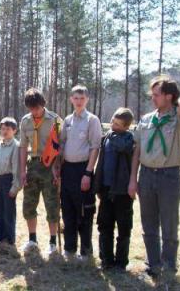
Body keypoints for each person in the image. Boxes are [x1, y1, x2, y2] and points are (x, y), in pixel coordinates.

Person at [130, 75, 180, 277]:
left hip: (169, 177)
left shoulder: (177, 119)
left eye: (157, 94)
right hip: (146, 175)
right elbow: (137, 151)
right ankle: (153, 264)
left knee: (169, 223)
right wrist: (133, 179)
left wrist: (175, 99)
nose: (152, 98)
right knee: (148, 223)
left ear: (169, 96)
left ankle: (168, 265)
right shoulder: (147, 120)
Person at [59, 85, 102, 261]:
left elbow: (95, 147)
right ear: (71, 99)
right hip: (67, 169)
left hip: (83, 169)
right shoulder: (67, 120)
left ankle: (85, 251)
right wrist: (57, 167)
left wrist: (87, 172)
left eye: (82, 98)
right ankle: (69, 248)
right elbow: (61, 144)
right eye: (75, 98)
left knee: (84, 211)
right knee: (67, 209)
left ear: (87, 100)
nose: (78, 101)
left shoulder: (92, 120)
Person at [19, 88, 62, 255]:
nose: (34, 112)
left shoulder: (55, 120)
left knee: (52, 205)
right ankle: (32, 239)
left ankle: (52, 242)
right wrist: (22, 171)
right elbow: (23, 146)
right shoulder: (25, 121)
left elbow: (60, 146)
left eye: (37, 108)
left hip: (50, 165)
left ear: (43, 105)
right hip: (33, 165)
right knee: (29, 204)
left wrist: (56, 168)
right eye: (31, 109)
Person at [93, 108, 135, 270]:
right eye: (112, 122)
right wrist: (98, 186)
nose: (113, 125)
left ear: (126, 127)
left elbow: (122, 146)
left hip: (122, 191)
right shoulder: (107, 138)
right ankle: (106, 259)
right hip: (106, 189)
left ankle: (121, 261)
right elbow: (101, 163)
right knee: (104, 225)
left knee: (123, 227)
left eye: (117, 124)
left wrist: (111, 135)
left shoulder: (128, 139)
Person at [0, 117, 21, 244]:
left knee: (8, 212)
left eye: (8, 129)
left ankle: (9, 239)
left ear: (14, 130)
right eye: (2, 129)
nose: (5, 131)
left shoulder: (16, 146)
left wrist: (15, 187)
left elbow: (17, 169)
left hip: (8, 181)